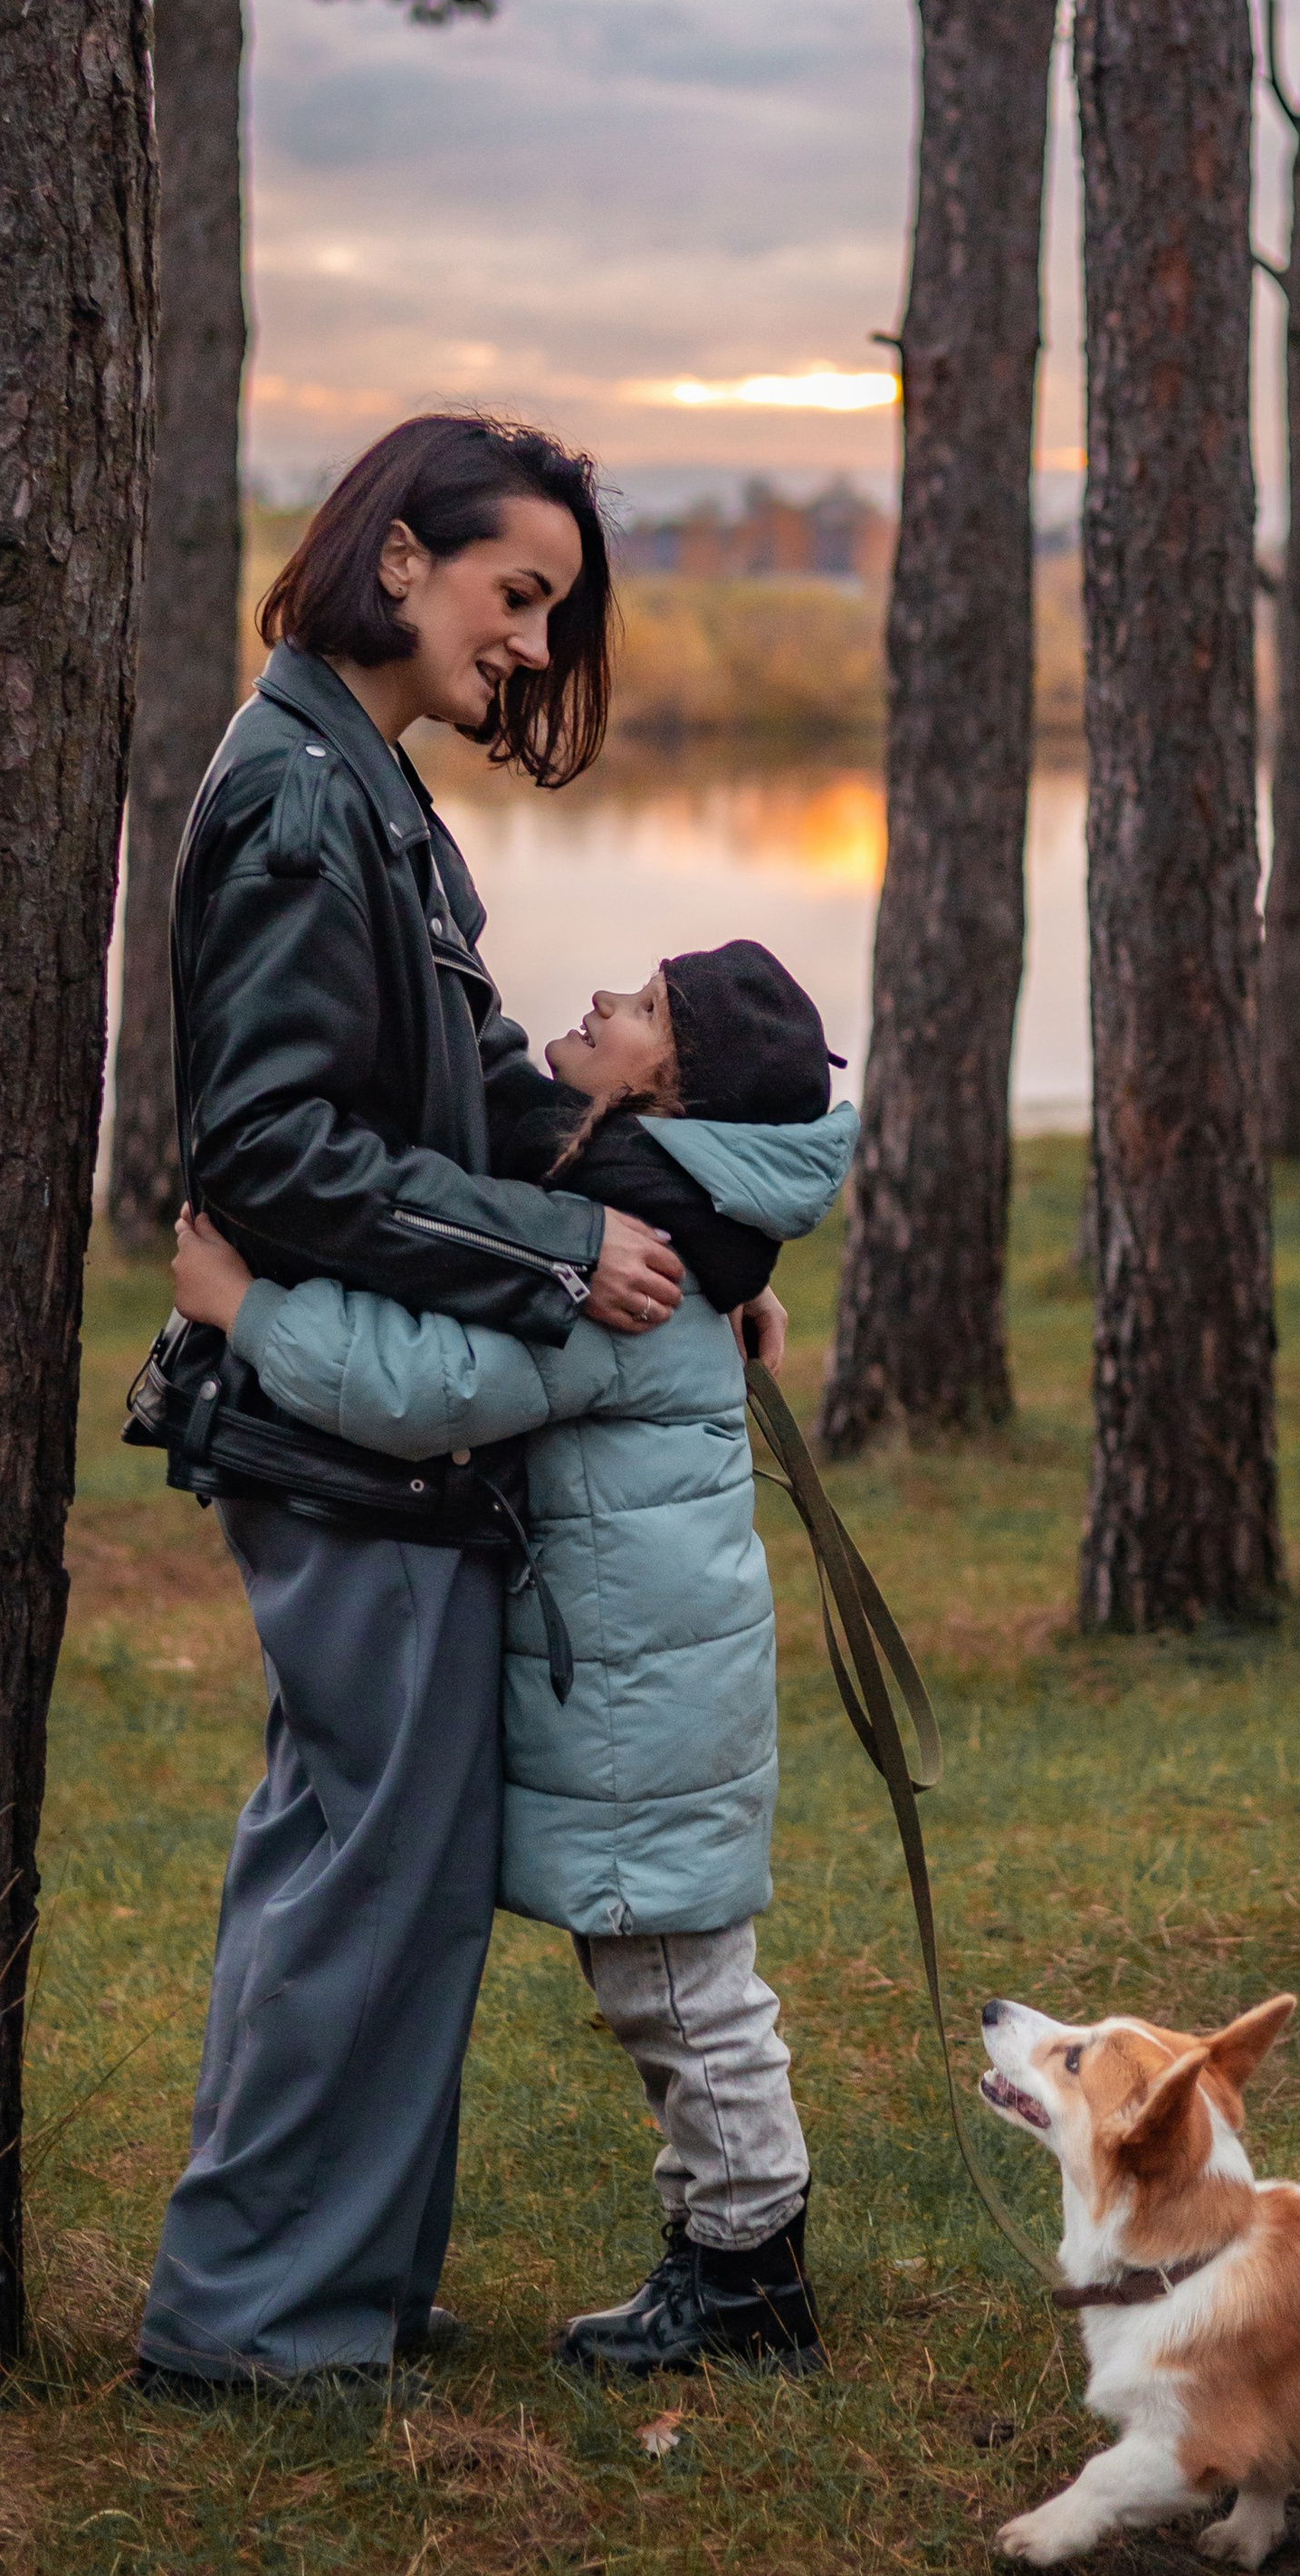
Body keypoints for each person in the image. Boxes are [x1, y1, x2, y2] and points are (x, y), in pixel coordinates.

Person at [132, 409, 784, 2400]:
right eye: (519, 595)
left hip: (390, 1430)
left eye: (550, 613)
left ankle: (338, 2299)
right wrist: (544, 1259)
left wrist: (686, 1260)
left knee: (390, 1879)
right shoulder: (296, 798)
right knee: (361, 1876)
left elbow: (495, 1088)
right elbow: (267, 1147)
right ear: (396, 558)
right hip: (340, 1435)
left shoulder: (372, 791)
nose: (527, 643)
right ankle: (256, 2330)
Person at [170, 937, 856, 2378]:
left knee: (679, 1995)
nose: (603, 1001)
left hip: (643, 1710)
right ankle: (721, 2248)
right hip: (657, 1689)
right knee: (675, 1987)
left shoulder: (627, 1280)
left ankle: (748, 2281)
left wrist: (249, 1311)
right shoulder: (677, 1243)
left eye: (644, 1013)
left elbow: (427, 1392)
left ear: (669, 1103)